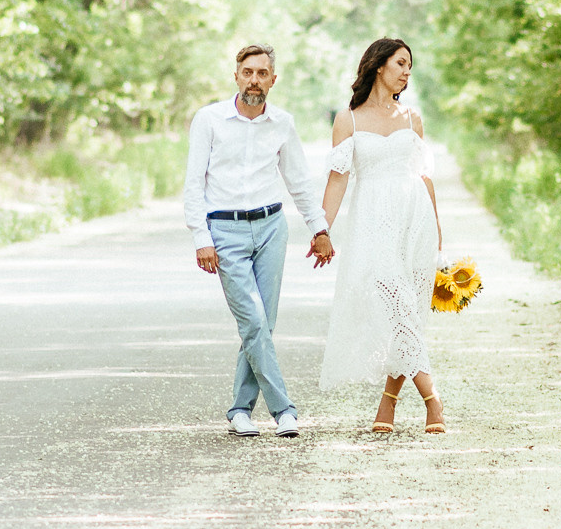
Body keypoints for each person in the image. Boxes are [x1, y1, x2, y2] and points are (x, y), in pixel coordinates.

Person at [183, 43, 335, 438]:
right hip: (225, 231)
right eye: (247, 72)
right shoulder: (209, 119)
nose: (254, 80)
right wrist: (201, 237)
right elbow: (193, 184)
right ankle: (284, 409)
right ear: (236, 75)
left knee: (263, 324)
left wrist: (319, 230)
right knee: (252, 320)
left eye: (262, 73)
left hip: (271, 228)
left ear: (273, 79)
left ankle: (240, 411)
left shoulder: (282, 123)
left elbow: (299, 181)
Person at [317, 37, 446, 434]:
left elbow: (425, 176)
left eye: (410, 65)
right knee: (395, 302)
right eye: (401, 63)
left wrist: (438, 234)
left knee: (406, 312)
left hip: (415, 220)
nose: (408, 72)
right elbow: (338, 180)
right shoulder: (349, 119)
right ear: (378, 66)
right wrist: (321, 229)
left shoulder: (412, 118)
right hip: (372, 221)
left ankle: (386, 406)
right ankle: (433, 400)